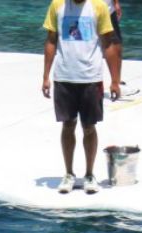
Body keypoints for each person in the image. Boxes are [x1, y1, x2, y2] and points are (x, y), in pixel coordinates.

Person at [42, 0, 121, 195]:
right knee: (67, 125)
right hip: (64, 76)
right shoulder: (57, 5)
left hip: (90, 77)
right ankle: (69, 173)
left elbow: (108, 44)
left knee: (89, 127)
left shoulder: (99, 6)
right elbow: (51, 40)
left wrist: (115, 80)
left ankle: (89, 174)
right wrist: (45, 76)